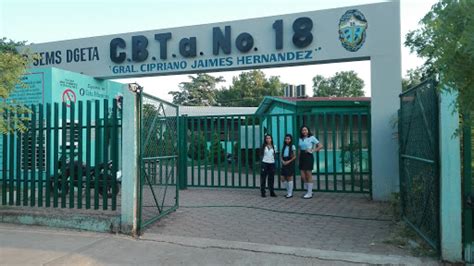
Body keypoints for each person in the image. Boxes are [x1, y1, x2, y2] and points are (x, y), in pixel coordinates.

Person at [298, 125, 323, 199]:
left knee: (308, 175)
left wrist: (312, 150)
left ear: (308, 131)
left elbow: (320, 145)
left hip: (308, 156)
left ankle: (309, 193)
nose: (304, 131)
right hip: (302, 157)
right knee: (303, 176)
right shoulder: (300, 138)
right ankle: (309, 191)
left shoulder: (311, 138)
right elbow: (299, 149)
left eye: (305, 130)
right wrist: (298, 159)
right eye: (303, 130)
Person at [280, 134, 296, 198]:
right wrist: (282, 161)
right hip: (284, 161)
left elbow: (294, 156)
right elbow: (281, 155)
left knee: (289, 177)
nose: (287, 140)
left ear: (291, 139)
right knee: (282, 178)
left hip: (290, 162)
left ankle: (290, 193)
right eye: (286, 139)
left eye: (288, 139)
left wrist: (288, 162)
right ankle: (288, 191)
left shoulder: (293, 146)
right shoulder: (284, 146)